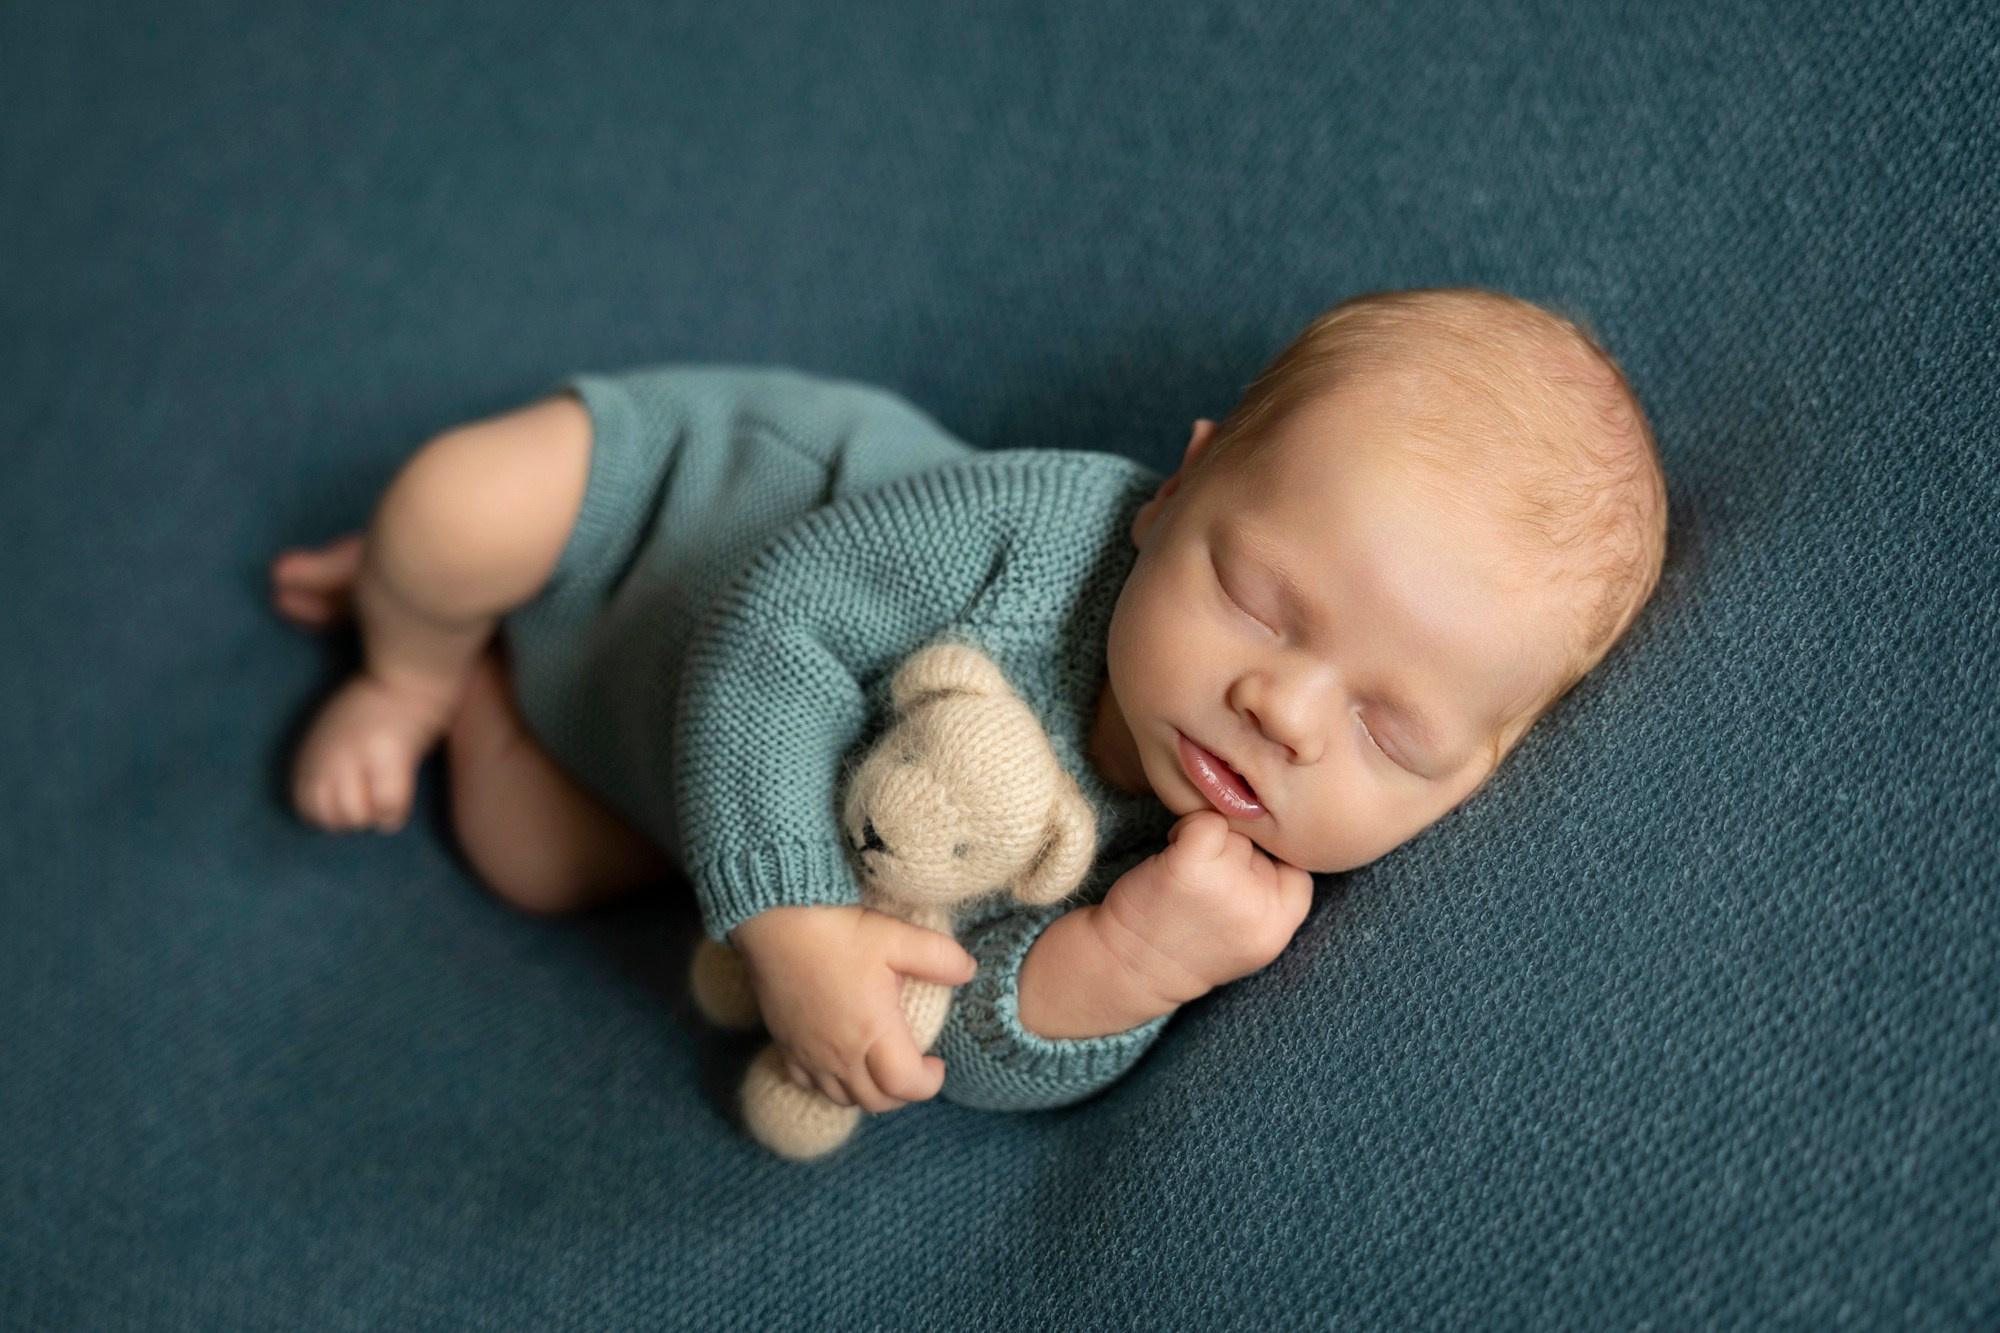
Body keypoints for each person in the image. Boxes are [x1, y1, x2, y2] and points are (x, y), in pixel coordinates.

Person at [270, 287, 1668, 1119]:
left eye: (1390, 731)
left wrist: (1130, 963)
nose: (1282, 709)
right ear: (1175, 493)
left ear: (1471, 782)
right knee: (452, 510)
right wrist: (789, 917)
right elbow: (782, 623)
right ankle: (406, 653)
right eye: (1258, 596)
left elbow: (963, 1047)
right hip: (661, 517)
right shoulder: (1035, 530)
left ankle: (474, 685)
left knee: (529, 860)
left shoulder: (1203, 877)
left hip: (649, 765)